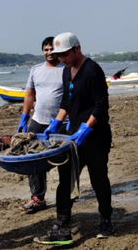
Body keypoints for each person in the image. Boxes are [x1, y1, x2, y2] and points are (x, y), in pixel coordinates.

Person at [34, 32, 113, 245]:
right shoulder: (66, 71)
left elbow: (101, 106)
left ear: (77, 49)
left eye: (65, 54)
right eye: (58, 55)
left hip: (95, 137)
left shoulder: (92, 70)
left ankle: (106, 219)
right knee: (66, 180)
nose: (61, 59)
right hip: (72, 139)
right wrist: (56, 124)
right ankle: (62, 226)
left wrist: (85, 129)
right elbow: (66, 104)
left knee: (99, 180)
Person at [17, 36, 68, 213]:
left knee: (64, 160)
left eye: (51, 49)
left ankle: (67, 193)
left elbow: (71, 97)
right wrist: (24, 118)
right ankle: (38, 197)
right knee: (33, 159)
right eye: (46, 50)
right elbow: (30, 95)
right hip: (38, 121)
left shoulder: (66, 69)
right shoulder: (36, 70)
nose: (49, 53)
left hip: (61, 123)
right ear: (42, 52)